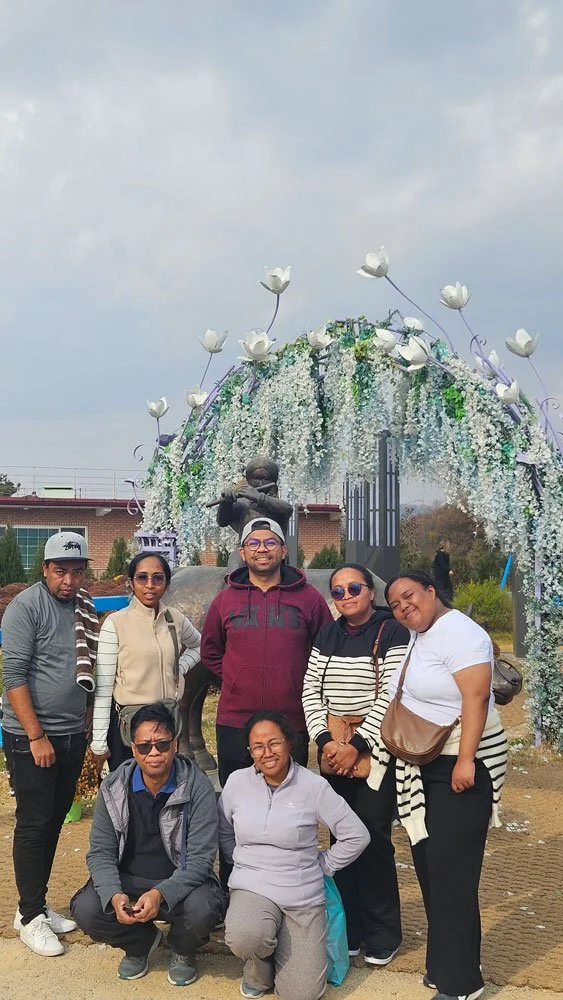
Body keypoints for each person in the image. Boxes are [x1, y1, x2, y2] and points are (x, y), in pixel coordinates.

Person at [380, 571, 508, 1000]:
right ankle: (444, 964)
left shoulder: (460, 632)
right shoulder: (423, 632)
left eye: (410, 596)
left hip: (462, 763)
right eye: (396, 604)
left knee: (452, 873)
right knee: (432, 868)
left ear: (432, 591)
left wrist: (466, 760)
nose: (404, 608)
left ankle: (462, 984)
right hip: (426, 764)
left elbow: (476, 697)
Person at [71, 701, 225, 987]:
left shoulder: (198, 787)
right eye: (144, 746)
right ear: (133, 748)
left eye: (162, 744)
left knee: (204, 908)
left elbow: (200, 860)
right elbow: (101, 853)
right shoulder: (113, 787)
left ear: (175, 744)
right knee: (87, 908)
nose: (154, 753)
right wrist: (114, 894)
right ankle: (140, 943)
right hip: (129, 879)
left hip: (181, 882)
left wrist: (160, 894)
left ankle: (182, 948)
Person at [219, 710, 370, 1000]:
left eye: (274, 743)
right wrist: (239, 859)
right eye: (258, 747)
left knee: (302, 994)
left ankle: (281, 950)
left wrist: (324, 865)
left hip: (302, 896)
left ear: (289, 743)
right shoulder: (237, 782)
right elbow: (224, 828)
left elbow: (356, 835)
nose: (267, 753)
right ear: (250, 752)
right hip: (253, 887)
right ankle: (259, 972)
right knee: (245, 935)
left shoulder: (313, 786)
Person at [302, 563, 410, 967]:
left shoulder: (393, 632)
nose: (346, 597)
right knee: (341, 839)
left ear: (370, 592)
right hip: (332, 749)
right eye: (338, 591)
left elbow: (395, 693)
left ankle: (384, 931)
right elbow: (311, 689)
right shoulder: (328, 632)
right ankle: (352, 928)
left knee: (373, 837)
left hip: (375, 751)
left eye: (354, 588)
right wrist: (327, 742)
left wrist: (359, 744)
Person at [2, 531, 99, 957]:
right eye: (61, 571)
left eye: (77, 572)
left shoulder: (85, 608)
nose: (69, 580)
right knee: (34, 823)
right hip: (32, 738)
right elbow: (13, 678)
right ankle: (27, 915)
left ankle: (35, 905)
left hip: (70, 735)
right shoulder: (27, 607)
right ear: (45, 569)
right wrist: (36, 735)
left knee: (55, 821)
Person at [200, 517, 333, 786]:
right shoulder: (225, 600)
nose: (262, 549)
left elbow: (327, 651)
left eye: (271, 542)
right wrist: (235, 677)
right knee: (237, 798)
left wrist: (300, 683)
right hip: (235, 719)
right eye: (254, 543)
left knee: (290, 797)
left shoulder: (309, 598)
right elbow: (210, 650)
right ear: (243, 552)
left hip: (291, 717)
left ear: (283, 551)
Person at [90, 552, 201, 771]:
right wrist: (99, 741)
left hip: (166, 724)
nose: (150, 585)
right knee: (131, 795)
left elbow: (199, 645)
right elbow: (104, 687)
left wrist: (180, 667)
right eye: (142, 577)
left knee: (166, 793)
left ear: (166, 583)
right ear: (131, 582)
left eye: (158, 578)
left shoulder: (174, 619)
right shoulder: (116, 624)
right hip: (130, 727)